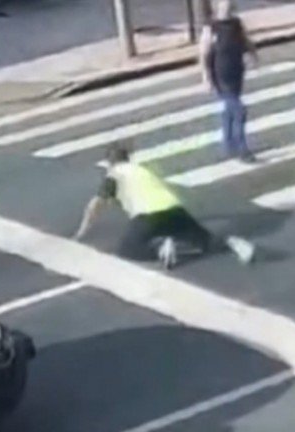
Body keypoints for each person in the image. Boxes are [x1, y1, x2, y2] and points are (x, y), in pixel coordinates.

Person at [74, 143, 255, 270]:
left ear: (109, 162)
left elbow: (95, 206)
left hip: (147, 216)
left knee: (128, 250)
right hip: (175, 210)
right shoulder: (142, 169)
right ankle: (234, 244)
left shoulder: (114, 175)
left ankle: (161, 249)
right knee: (205, 242)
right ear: (128, 158)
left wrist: (81, 232)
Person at [199, 0, 259, 163]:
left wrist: (253, 55)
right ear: (216, 6)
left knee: (229, 110)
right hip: (220, 75)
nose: (227, 5)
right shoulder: (211, 27)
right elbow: (204, 54)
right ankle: (242, 149)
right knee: (239, 110)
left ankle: (228, 143)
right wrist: (206, 77)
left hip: (236, 72)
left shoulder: (236, 24)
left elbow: (246, 41)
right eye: (223, 3)